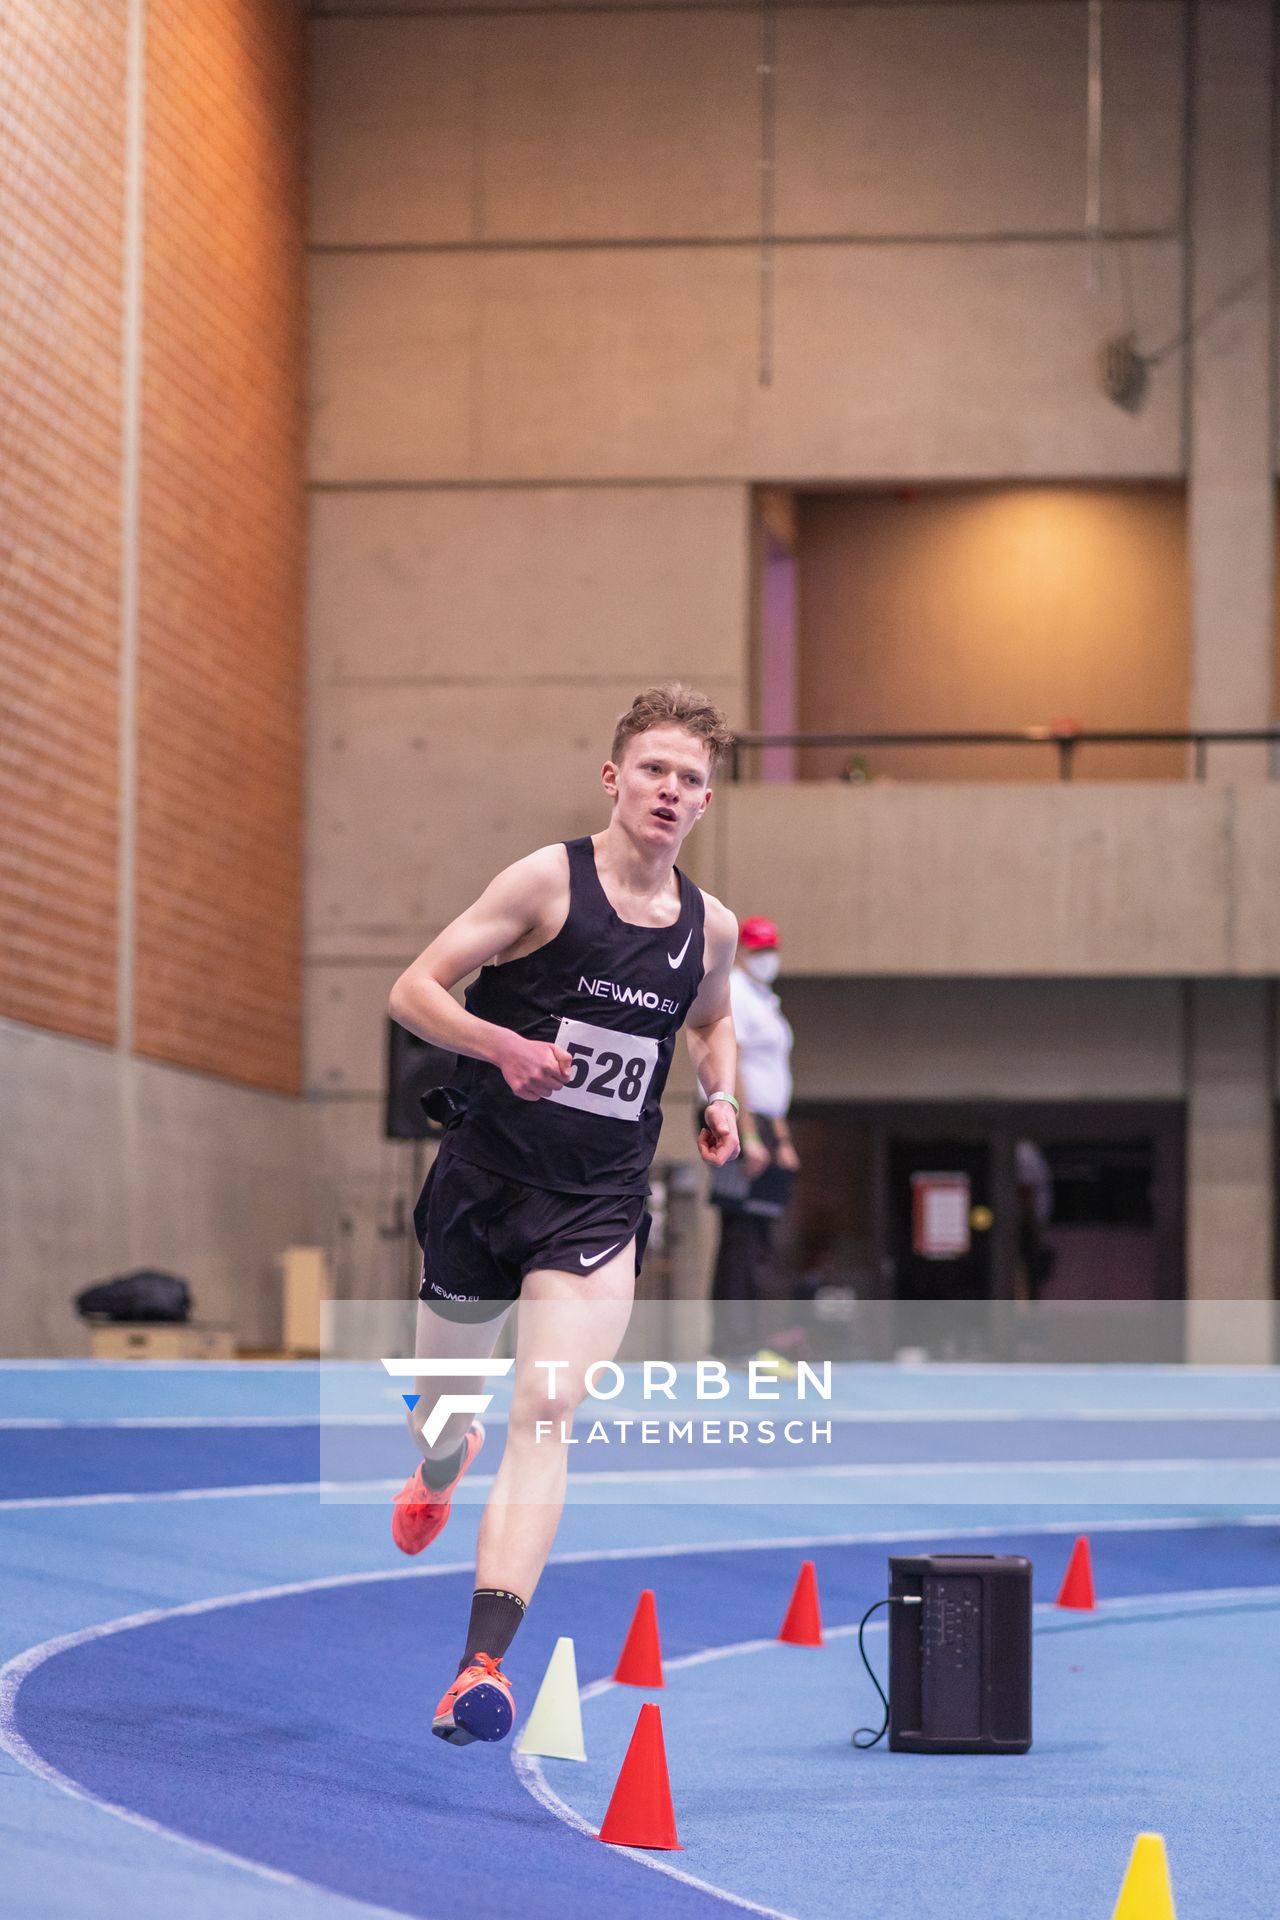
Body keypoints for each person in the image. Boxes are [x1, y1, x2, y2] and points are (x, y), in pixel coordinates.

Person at [386, 684, 741, 1747]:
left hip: (593, 1207)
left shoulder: (706, 929)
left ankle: (478, 1666)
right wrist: (505, 1047)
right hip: (482, 1184)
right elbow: (415, 989)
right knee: (448, 1419)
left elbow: (712, 1029)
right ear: (613, 779)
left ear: (705, 802)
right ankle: (437, 1471)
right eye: (653, 771)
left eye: (689, 780)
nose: (669, 792)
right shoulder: (547, 881)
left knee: (544, 1411)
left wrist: (718, 1098)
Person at [709, 916, 799, 1357]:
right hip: (741, 1120)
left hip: (766, 1123)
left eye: (771, 949)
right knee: (741, 1235)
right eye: (759, 949)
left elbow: (774, 1079)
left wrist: (781, 1139)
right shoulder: (737, 993)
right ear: (742, 950)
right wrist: (748, 1132)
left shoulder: (767, 1000)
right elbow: (735, 1063)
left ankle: (749, 1338)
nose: (767, 958)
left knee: (760, 1235)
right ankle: (733, 1342)